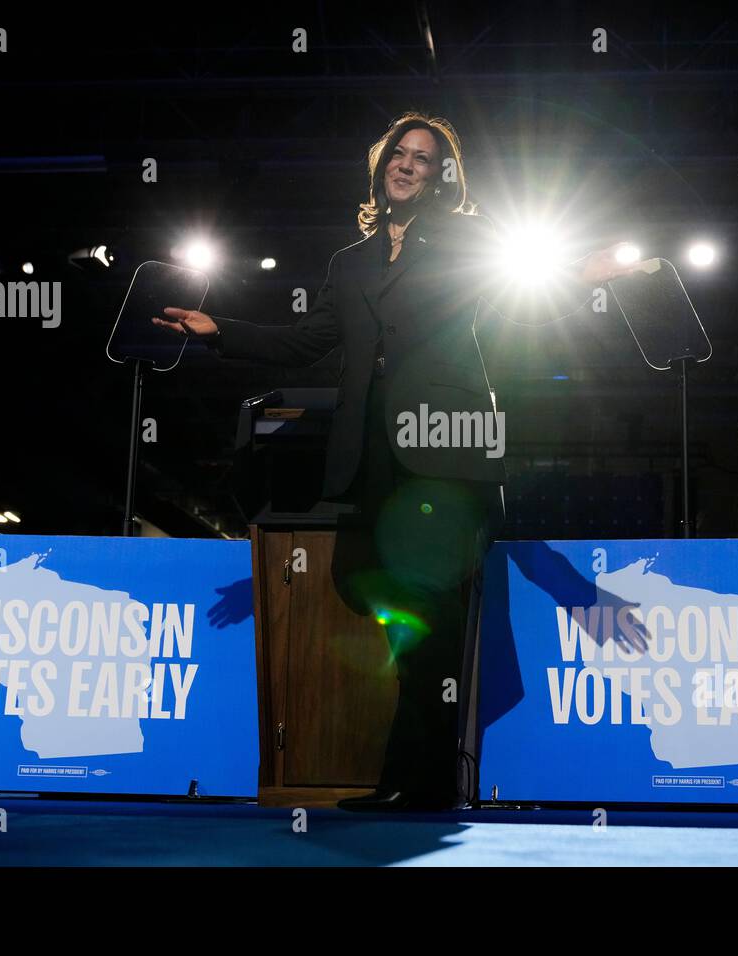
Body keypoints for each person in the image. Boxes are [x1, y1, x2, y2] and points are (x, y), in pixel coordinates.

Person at [153, 111, 639, 811]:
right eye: (400, 154)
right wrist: (219, 330)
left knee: (430, 609)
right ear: (383, 165)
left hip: (444, 441)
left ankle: (420, 780)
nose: (408, 164)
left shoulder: (463, 239)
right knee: (364, 580)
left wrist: (582, 272)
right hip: (371, 449)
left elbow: (522, 288)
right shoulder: (348, 262)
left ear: (442, 175)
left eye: (424, 157)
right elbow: (308, 341)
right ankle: (417, 775)